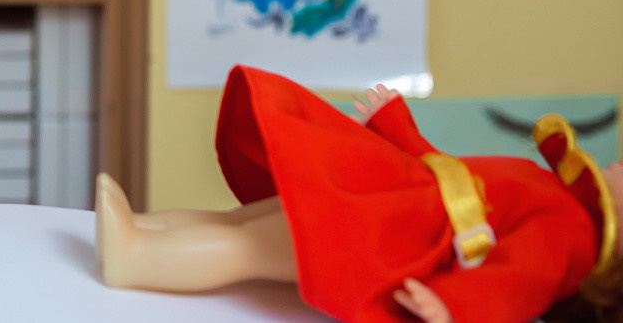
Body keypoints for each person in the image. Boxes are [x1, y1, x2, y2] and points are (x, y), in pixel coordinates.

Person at [97, 64, 623, 323]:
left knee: (256, 244)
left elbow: (513, 284)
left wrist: (450, 306)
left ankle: (137, 257)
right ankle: (145, 228)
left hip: (397, 237)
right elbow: (454, 177)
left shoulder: (570, 233)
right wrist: (397, 127)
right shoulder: (555, 194)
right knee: (249, 219)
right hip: (397, 200)